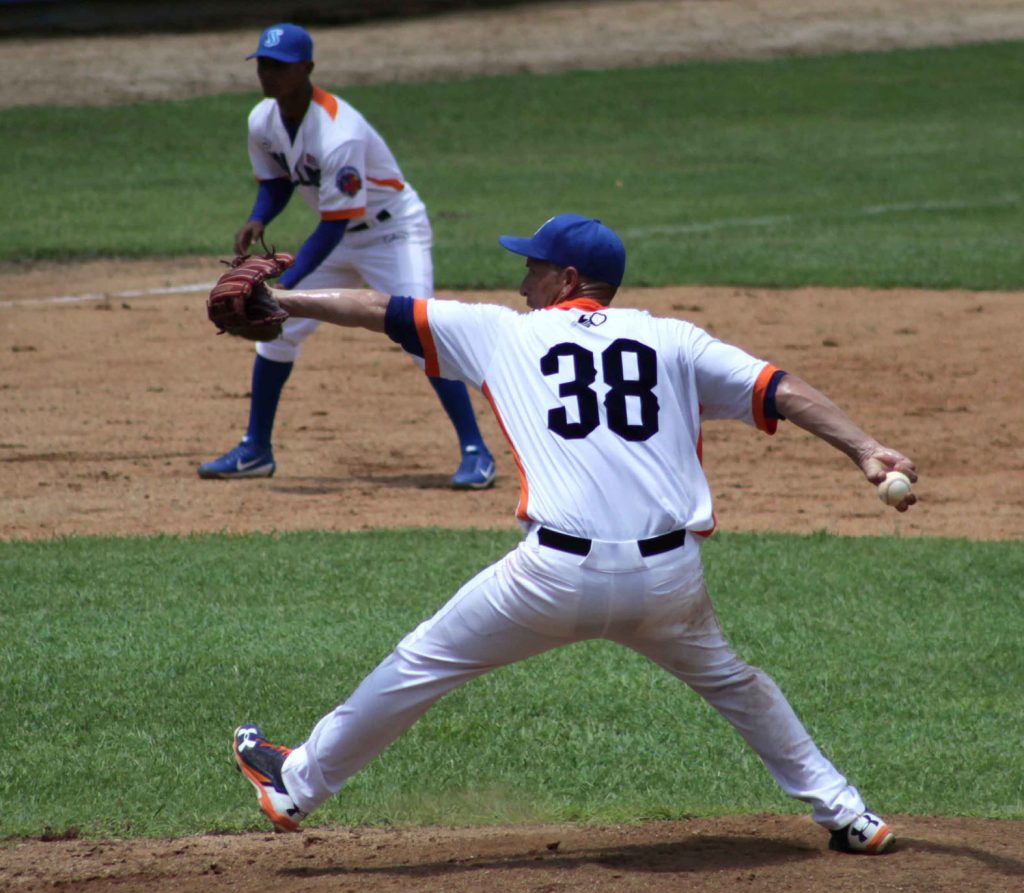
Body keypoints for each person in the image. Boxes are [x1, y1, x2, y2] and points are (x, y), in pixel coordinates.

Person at [232, 213, 916, 854]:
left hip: (551, 580)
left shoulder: (502, 333)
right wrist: (865, 448)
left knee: (421, 664)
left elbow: (380, 309)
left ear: (565, 281)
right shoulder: (675, 339)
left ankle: (296, 786)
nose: (519, 281)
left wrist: (284, 302)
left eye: (532, 267)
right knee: (741, 687)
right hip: (669, 583)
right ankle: (847, 813)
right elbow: (780, 389)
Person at [198, 23, 495, 489]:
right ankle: (255, 449)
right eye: (263, 65)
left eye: (279, 66)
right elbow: (278, 182)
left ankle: (477, 452)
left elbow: (335, 223)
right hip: (337, 234)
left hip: (393, 235)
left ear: (307, 69)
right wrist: (260, 218)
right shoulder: (262, 120)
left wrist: (288, 282)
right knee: (277, 332)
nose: (269, 74)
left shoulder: (339, 132)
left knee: (422, 333)